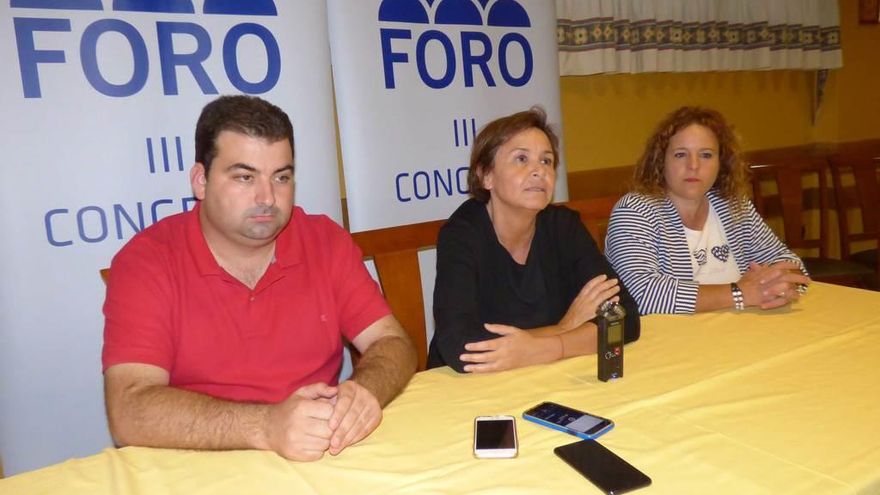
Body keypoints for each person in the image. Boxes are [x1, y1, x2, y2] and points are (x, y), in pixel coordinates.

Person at [102, 95, 417, 462]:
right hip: (197, 463)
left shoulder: (323, 241)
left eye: (281, 177)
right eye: (244, 177)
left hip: (320, 455)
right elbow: (129, 409)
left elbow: (393, 342)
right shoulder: (147, 260)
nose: (267, 197)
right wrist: (266, 426)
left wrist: (363, 393)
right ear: (200, 181)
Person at [427, 107, 640, 373]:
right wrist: (565, 327)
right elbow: (463, 348)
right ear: (486, 176)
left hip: (546, 375)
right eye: (521, 159)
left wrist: (550, 347)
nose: (539, 171)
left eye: (546, 161)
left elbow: (626, 318)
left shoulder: (564, 226)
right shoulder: (462, 235)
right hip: (470, 389)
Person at [605, 106, 811, 315]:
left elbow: (787, 261)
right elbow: (642, 295)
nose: (693, 165)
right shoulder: (635, 211)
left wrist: (778, 283)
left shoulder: (732, 205)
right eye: (680, 154)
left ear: (721, 163)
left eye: (705, 155)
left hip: (739, 332)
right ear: (660, 162)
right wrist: (741, 293)